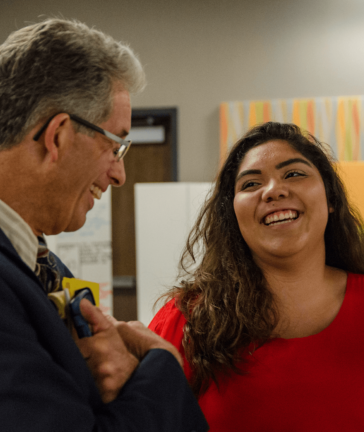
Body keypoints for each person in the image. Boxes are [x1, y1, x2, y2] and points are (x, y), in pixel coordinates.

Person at [0, 18, 208, 432]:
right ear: (58, 136)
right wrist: (161, 366)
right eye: (115, 146)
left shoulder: (39, 263)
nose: (119, 175)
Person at [149, 121, 364, 431]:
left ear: (330, 199)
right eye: (250, 184)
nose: (274, 190)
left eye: (293, 174)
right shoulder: (188, 321)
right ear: (233, 215)